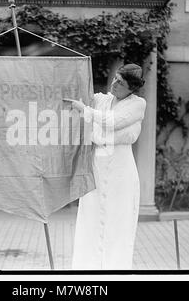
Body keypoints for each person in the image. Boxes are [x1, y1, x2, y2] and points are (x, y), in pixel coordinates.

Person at [64, 63, 147, 270]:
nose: (115, 83)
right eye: (115, 78)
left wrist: (89, 117)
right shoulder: (102, 100)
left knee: (119, 226)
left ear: (131, 88)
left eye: (121, 82)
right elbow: (82, 97)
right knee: (90, 222)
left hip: (121, 174)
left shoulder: (138, 104)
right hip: (97, 169)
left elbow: (116, 123)